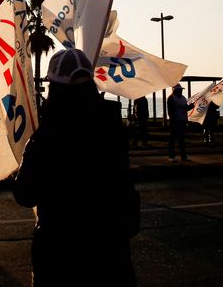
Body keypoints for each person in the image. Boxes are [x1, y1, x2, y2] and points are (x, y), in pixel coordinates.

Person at [14, 48, 138, 285]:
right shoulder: (111, 130)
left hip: (59, 253)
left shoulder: (48, 137)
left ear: (54, 87)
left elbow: (25, 194)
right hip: (111, 251)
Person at [167, 83, 193, 162]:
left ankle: (183, 156)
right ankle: (171, 156)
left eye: (181, 90)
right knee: (173, 139)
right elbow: (170, 111)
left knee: (181, 140)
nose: (181, 91)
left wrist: (191, 107)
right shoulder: (171, 98)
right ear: (175, 90)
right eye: (179, 90)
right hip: (175, 121)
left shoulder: (183, 98)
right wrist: (173, 121)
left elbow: (185, 108)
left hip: (182, 120)